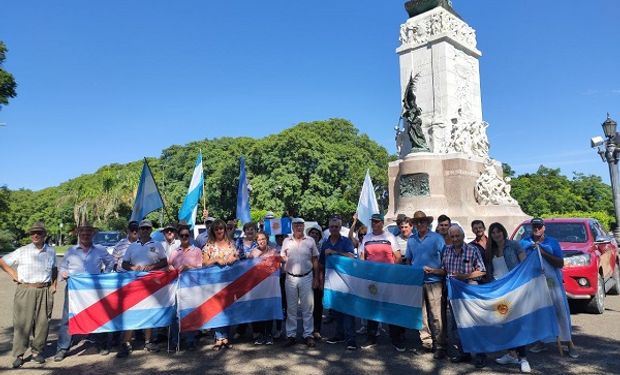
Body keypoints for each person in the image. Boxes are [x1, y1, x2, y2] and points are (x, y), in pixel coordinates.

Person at [425, 224, 486, 368]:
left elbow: (482, 271)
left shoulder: (472, 250)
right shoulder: (447, 251)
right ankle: (464, 352)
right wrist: (432, 270)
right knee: (457, 325)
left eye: (457, 236)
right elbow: (445, 271)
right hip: (453, 294)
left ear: (463, 236)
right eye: (452, 236)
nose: (455, 239)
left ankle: (480, 355)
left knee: (473, 323)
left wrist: (464, 276)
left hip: (469, 292)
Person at [55, 222, 115, 361]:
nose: (86, 234)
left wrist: (104, 275)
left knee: (99, 315)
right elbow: (63, 267)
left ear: (93, 234)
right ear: (78, 234)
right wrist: (64, 273)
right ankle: (63, 348)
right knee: (68, 317)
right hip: (74, 289)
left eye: (88, 232)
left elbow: (111, 262)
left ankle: (101, 344)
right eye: (83, 232)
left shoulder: (100, 249)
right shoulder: (71, 251)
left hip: (94, 289)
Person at [0, 222, 57, 368]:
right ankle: (19, 354)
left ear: (45, 235)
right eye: (33, 233)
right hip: (25, 290)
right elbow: (3, 261)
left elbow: (54, 268)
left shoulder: (51, 251)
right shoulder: (22, 251)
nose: (35, 235)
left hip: (44, 290)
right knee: (22, 323)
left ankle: (37, 352)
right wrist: (13, 274)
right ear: (30, 235)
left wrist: (54, 285)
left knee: (42, 323)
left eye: (39, 232)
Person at [519, 217, 578, 359]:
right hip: (534, 283)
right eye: (534, 227)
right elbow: (520, 262)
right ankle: (542, 341)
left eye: (539, 226)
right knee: (539, 311)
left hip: (552, 282)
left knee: (560, 311)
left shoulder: (552, 242)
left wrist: (544, 253)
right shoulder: (525, 243)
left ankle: (569, 343)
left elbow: (560, 263)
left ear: (544, 227)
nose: (537, 229)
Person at [117, 219, 168, 358]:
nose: (144, 230)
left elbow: (164, 261)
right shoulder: (132, 246)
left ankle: (148, 341)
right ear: (138, 230)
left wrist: (152, 267)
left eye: (147, 228)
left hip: (151, 283)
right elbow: (124, 263)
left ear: (151, 230)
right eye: (142, 228)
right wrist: (133, 267)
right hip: (134, 284)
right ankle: (126, 343)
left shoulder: (157, 245)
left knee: (149, 311)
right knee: (131, 311)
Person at [484, 222, 531, 373]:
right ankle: (511, 354)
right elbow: (490, 271)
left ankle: (523, 358)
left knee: (516, 324)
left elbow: (525, 263)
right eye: (493, 232)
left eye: (498, 231)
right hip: (499, 291)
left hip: (514, 289)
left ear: (503, 232)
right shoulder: (490, 250)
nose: (496, 234)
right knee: (504, 323)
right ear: (490, 235)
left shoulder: (514, 245)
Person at [359, 213, 404, 351]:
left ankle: (395, 339)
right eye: (373, 222)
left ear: (382, 223)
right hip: (372, 281)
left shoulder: (389, 237)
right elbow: (362, 257)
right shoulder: (367, 237)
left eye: (377, 222)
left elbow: (398, 257)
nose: (374, 224)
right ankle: (371, 338)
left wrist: (390, 273)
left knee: (390, 308)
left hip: (388, 281)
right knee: (372, 308)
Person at [406, 211, 446, 358]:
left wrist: (437, 271)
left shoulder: (437, 238)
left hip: (434, 281)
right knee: (421, 315)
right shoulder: (411, 240)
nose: (419, 224)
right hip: (417, 282)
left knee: (436, 315)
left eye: (422, 222)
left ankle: (440, 345)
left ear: (427, 223)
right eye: (417, 222)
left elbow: (445, 259)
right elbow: (409, 259)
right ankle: (427, 343)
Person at [280, 217, 320, 348]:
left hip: (307, 276)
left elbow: (315, 260)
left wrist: (316, 278)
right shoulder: (286, 241)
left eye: (300, 225)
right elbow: (282, 257)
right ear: (292, 227)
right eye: (296, 225)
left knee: (307, 307)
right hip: (290, 277)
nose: (298, 227)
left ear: (304, 227)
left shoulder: (310, 241)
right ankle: (291, 335)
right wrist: (283, 259)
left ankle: (308, 334)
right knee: (291, 308)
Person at [202, 219, 239, 350]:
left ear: (225, 230)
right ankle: (219, 338)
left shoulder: (231, 244)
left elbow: (237, 257)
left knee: (228, 308)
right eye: (216, 229)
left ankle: (226, 337)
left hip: (230, 281)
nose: (219, 231)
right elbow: (204, 263)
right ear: (213, 230)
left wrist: (234, 258)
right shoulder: (209, 245)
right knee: (216, 309)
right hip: (214, 283)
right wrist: (216, 259)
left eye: (221, 228)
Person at [322, 217, 358, 350]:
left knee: (348, 311)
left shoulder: (346, 241)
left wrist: (335, 253)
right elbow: (321, 262)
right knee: (336, 310)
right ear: (329, 228)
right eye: (331, 227)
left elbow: (351, 256)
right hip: (332, 282)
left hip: (346, 281)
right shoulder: (325, 243)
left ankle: (351, 339)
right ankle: (339, 334)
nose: (334, 229)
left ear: (340, 228)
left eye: (336, 227)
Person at [168, 222, 203, 352]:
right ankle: (175, 341)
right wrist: (171, 268)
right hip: (176, 286)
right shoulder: (174, 251)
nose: (184, 237)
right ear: (178, 236)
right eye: (182, 235)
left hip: (192, 286)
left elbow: (201, 268)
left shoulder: (197, 251)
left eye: (186, 235)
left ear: (190, 236)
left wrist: (189, 267)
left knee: (190, 313)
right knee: (175, 315)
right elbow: (169, 265)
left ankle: (190, 340)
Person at [248, 232, 278, 345]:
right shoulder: (253, 253)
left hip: (270, 285)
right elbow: (248, 269)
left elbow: (277, 266)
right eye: (259, 239)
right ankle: (260, 334)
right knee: (259, 309)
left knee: (269, 309)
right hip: (257, 286)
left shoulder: (273, 251)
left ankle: (269, 334)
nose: (261, 241)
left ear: (267, 239)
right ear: (256, 241)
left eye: (263, 239)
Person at [306, 222, 324, 340]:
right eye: (312, 233)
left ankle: (316, 330)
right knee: (307, 306)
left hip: (319, 278)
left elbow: (322, 265)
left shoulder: (322, 248)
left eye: (316, 233)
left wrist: (319, 279)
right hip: (306, 278)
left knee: (318, 305)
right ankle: (308, 330)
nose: (314, 235)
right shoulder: (304, 246)